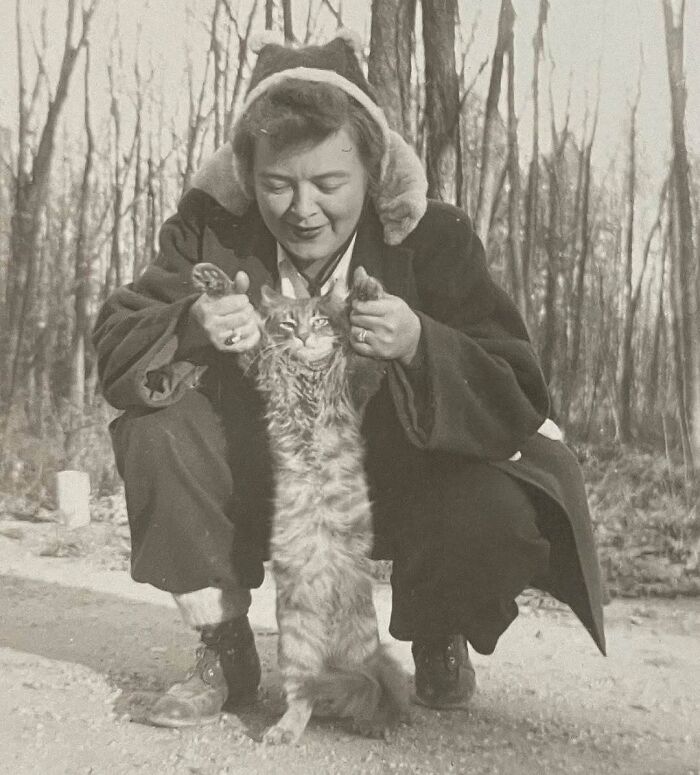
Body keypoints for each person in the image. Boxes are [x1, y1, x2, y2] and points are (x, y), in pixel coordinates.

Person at [93, 31, 606, 729]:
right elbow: (119, 346)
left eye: (328, 184)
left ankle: (437, 631)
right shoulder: (209, 233)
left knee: (498, 503)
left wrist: (424, 343)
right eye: (277, 185)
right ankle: (225, 645)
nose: (302, 208)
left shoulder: (434, 238)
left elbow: (516, 389)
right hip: (259, 483)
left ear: (371, 169)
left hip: (390, 481)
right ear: (248, 176)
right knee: (154, 427)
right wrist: (192, 322)